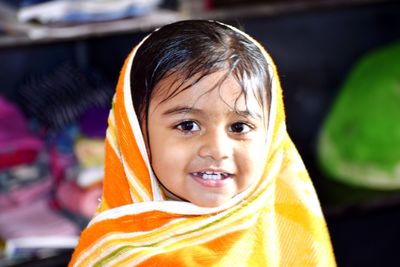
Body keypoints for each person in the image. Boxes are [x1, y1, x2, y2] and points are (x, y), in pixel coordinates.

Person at [69, 20, 336, 266]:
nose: (217, 149)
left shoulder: (291, 235)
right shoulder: (111, 257)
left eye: (239, 127)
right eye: (187, 126)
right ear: (135, 133)